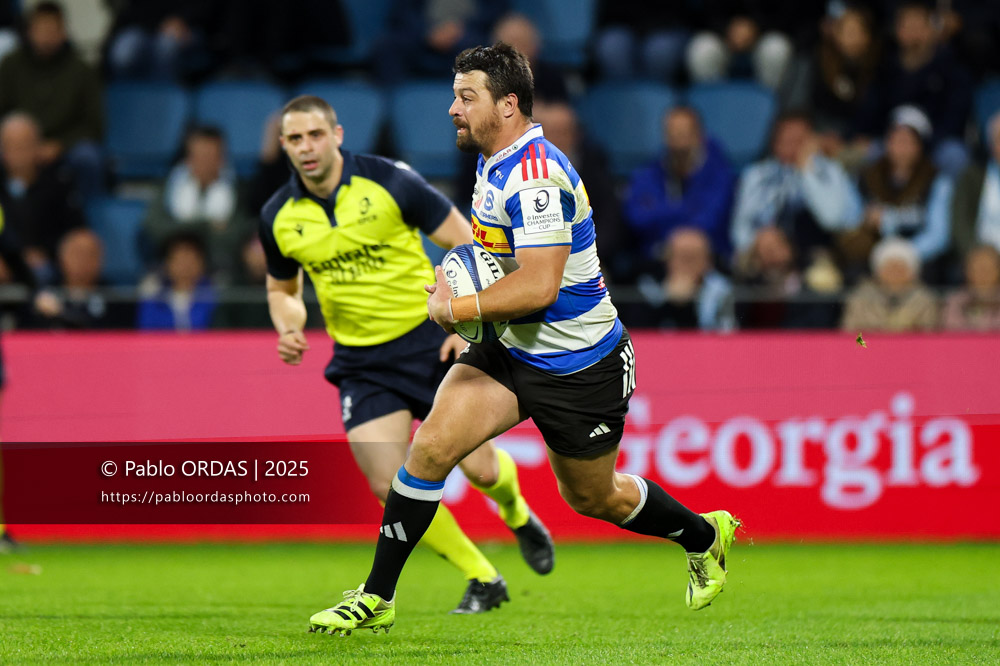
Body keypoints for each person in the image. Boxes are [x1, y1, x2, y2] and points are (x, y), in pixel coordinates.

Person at [308, 43, 741, 637]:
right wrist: (472, 328)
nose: (453, 109)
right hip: (512, 348)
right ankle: (376, 597)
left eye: (467, 97)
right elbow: (498, 263)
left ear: (508, 105)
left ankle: (703, 534)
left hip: (580, 364)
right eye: (454, 96)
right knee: (430, 448)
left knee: (595, 499)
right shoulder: (493, 160)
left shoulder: (535, 176)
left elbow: (539, 287)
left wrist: (454, 310)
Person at [261, 95, 554, 614]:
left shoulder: (389, 182)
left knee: (482, 471)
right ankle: (483, 577)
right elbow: (283, 289)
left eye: (314, 135)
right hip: (361, 361)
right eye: (294, 139)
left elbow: (468, 242)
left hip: (428, 340)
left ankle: (515, 512)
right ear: (283, 145)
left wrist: (464, 322)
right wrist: (289, 325)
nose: (306, 147)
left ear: (337, 136)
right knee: (386, 480)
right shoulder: (279, 217)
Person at [730, 111, 862, 269]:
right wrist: (761, 242)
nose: (794, 147)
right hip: (761, 258)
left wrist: (806, 171)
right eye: (787, 140)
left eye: (800, 141)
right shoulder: (756, 175)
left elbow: (832, 219)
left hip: (819, 259)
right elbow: (740, 230)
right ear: (775, 143)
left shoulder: (831, 171)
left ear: (813, 141)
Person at [0, 2, 103, 199]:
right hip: (17, 141)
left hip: (63, 144)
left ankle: (85, 218)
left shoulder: (82, 70)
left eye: (52, 29)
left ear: (63, 32)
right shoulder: (11, 64)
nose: (46, 36)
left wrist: (60, 145)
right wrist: (18, 143)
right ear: (29, 32)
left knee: (88, 157)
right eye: (40, 29)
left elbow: (93, 125)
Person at [623, 106, 736, 264]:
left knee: (688, 245)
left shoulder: (718, 174)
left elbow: (709, 222)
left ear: (699, 136)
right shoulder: (648, 174)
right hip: (655, 258)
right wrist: (687, 209)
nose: (678, 142)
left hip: (709, 259)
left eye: (684, 134)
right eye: (672, 134)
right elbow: (637, 218)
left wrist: (660, 212)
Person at [143, 126, 250, 281]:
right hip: (173, 266)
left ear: (222, 158)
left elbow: (238, 234)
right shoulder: (169, 187)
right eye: (199, 156)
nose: (204, 162)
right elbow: (155, 227)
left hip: (222, 268)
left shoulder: (240, 190)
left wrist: (183, 227)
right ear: (188, 158)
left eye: (210, 156)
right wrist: (207, 227)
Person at [0, 112, 85, 286]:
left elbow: (74, 230)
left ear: (38, 146)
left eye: (24, 145)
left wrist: (46, 252)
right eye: (11, 146)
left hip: (49, 265)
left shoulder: (58, 183)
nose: (18, 153)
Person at [624, 227, 736, 331]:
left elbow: (728, 334)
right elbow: (639, 333)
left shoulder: (723, 290)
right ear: (668, 260)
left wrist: (688, 304)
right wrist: (670, 303)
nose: (687, 265)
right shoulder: (648, 286)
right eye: (682, 257)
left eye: (693, 258)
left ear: (708, 262)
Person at [841, 237, 938, 332]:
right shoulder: (860, 298)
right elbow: (852, 336)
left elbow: (930, 336)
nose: (894, 272)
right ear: (878, 271)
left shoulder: (925, 299)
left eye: (900, 267)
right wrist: (867, 345)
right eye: (889, 267)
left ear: (912, 272)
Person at [136, 232, 217, 331]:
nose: (186, 267)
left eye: (191, 260)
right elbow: (146, 333)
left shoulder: (215, 296)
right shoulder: (153, 297)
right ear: (167, 264)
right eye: (180, 260)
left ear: (202, 263)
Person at [942, 245, 1000, 331]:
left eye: (987, 269)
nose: (983, 275)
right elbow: (952, 331)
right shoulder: (954, 302)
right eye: (977, 269)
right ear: (967, 271)